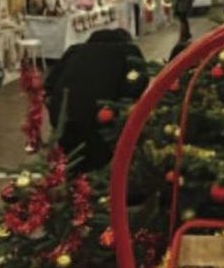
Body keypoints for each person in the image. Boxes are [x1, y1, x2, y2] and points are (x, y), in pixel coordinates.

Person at [44, 29, 149, 172]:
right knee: (101, 163)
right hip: (102, 119)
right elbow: (139, 80)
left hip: (64, 118)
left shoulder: (74, 50)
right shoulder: (128, 51)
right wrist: (121, 105)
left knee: (71, 163)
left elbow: (49, 84)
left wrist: (55, 107)